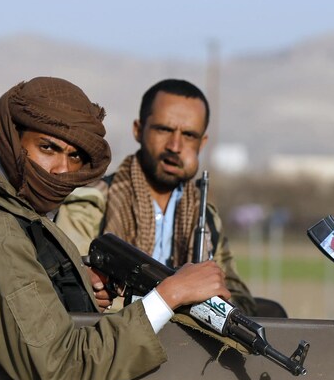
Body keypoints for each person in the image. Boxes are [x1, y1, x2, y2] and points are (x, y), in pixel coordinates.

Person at [0, 77, 231, 380]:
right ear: (13, 139)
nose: (62, 169)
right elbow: (63, 369)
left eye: (75, 156)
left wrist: (68, 282)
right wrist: (169, 294)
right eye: (48, 148)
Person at [57, 79, 256, 314]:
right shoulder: (90, 205)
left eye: (189, 135)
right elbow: (72, 290)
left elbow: (239, 298)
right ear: (138, 130)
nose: (175, 145)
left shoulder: (205, 217)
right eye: (164, 129)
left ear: (202, 143)